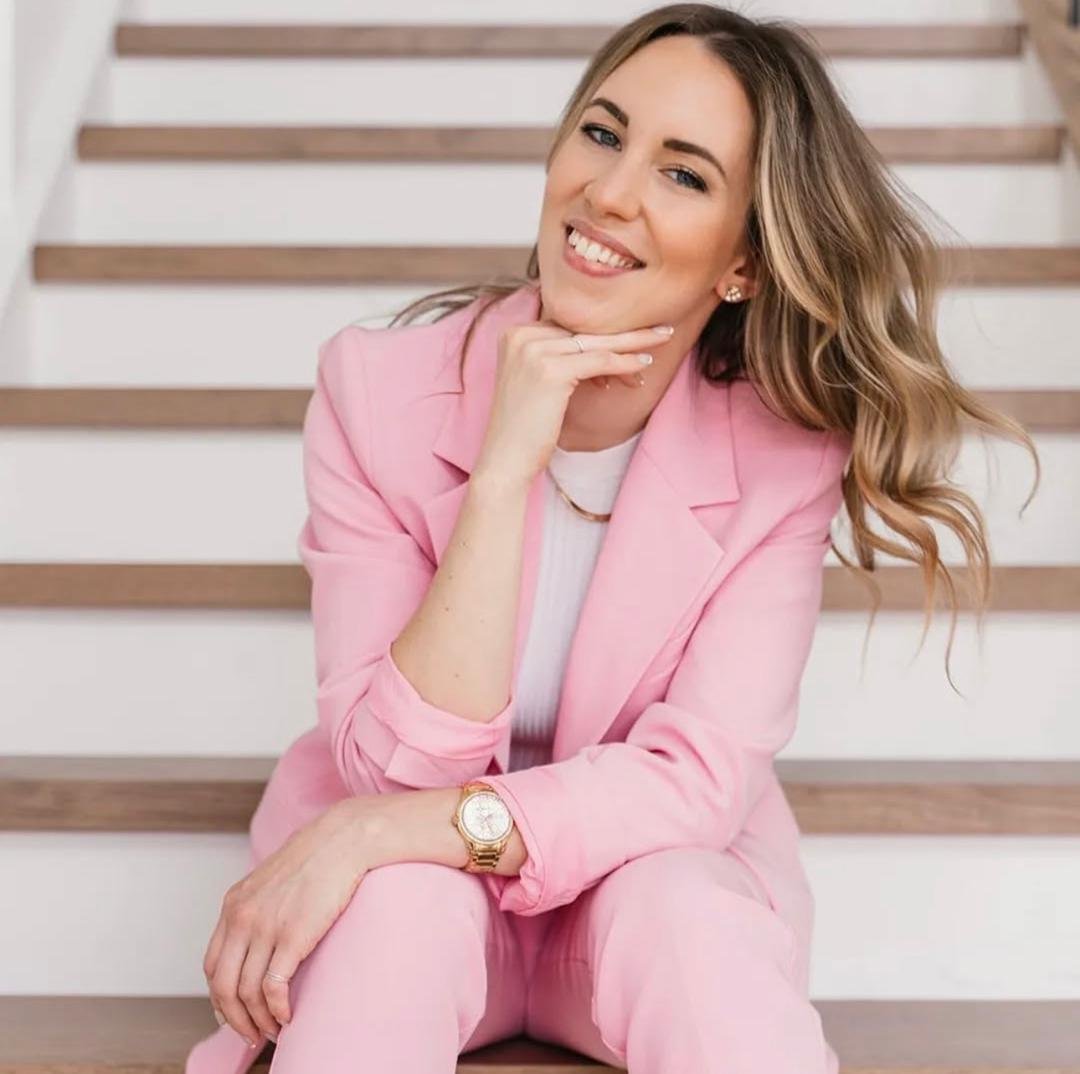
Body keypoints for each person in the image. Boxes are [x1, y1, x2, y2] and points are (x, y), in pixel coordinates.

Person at [185, 4, 1039, 1072]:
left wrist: (368, 832)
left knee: (686, 907)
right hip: (411, 904)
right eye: (601, 133)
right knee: (397, 903)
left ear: (744, 264)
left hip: (630, 899)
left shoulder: (783, 457)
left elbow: (693, 780)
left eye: (683, 174)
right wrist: (503, 475)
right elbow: (396, 776)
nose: (611, 192)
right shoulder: (376, 390)